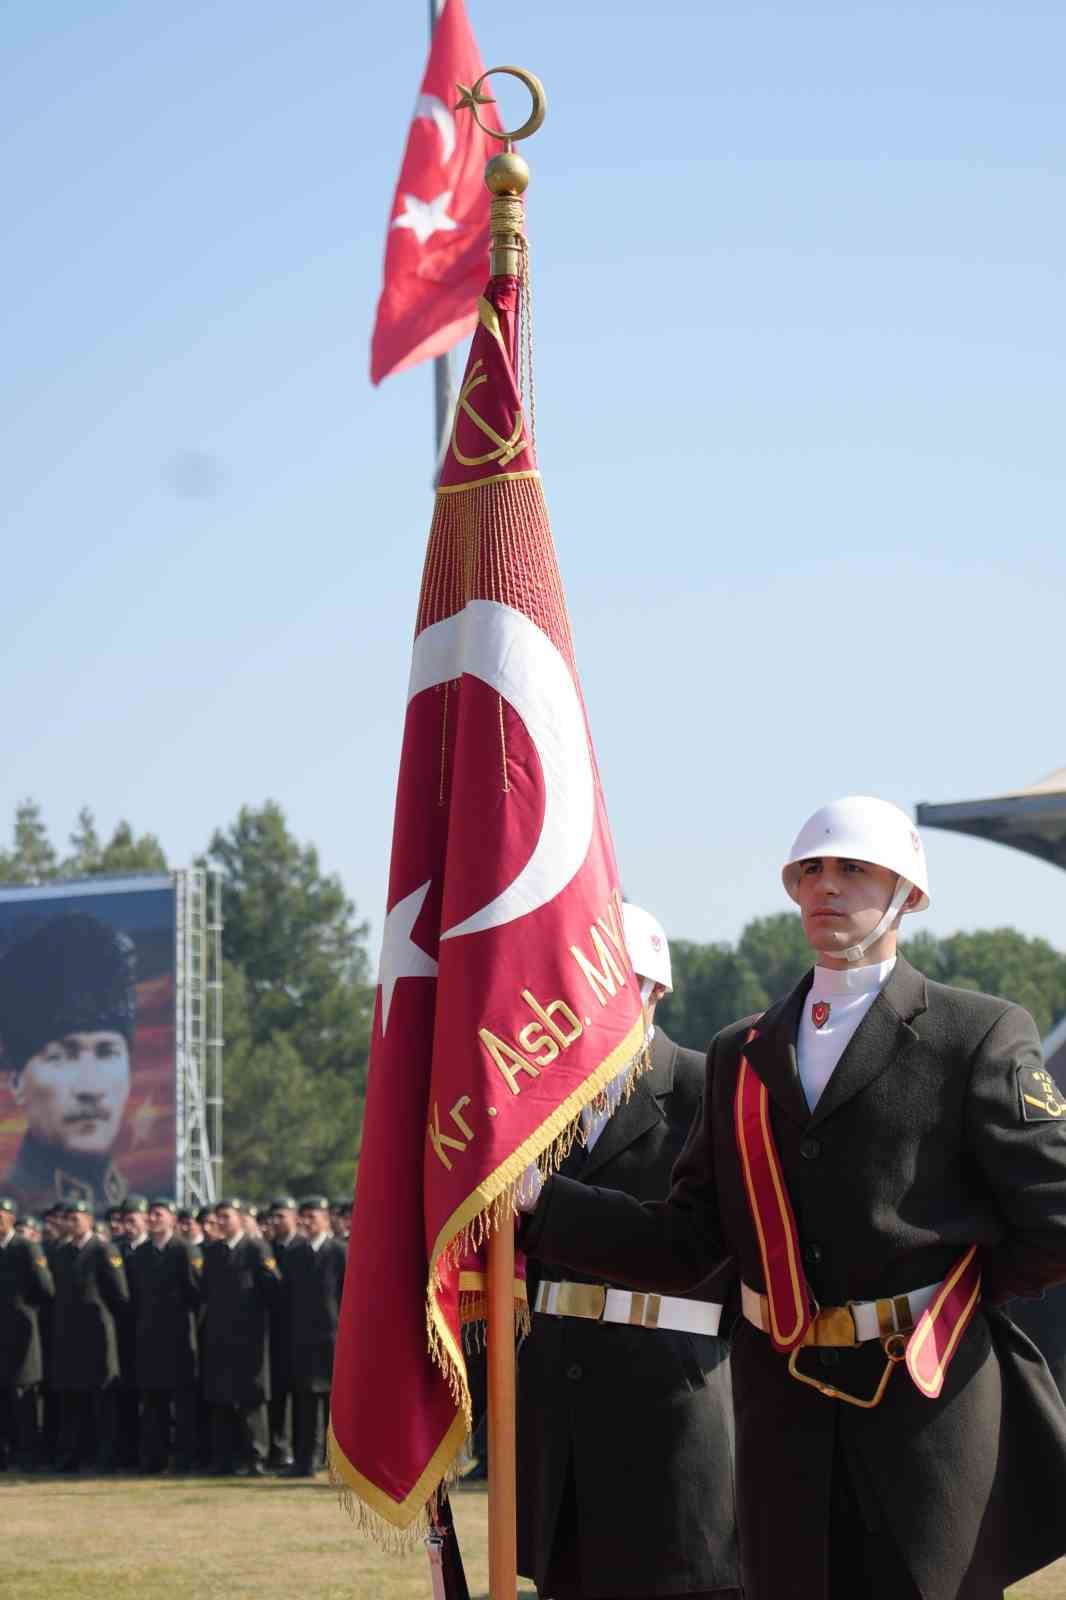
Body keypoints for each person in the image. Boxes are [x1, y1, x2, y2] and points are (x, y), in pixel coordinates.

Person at [521, 797, 1066, 1600]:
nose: (827, 886)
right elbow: (689, 1242)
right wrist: (539, 1200)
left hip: (925, 1399)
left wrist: (952, 1296)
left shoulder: (976, 1032)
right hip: (783, 1412)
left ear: (907, 893)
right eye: (811, 870)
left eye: (853, 869)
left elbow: (1053, 1213)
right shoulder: (741, 1051)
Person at [516, 903, 739, 1600]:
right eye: (582, 986)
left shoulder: (710, 1088)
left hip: (672, 1394)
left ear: (658, 992)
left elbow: (703, 1241)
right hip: (560, 1397)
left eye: (620, 983)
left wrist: (542, 1201)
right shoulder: (533, 1103)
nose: (596, 1003)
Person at [0, 913, 136, 1214]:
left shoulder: (134, 1203)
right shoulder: (15, 1205)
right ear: (17, 1082)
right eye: (61, 1057)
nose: (90, 1088)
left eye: (106, 1052)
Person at [199, 1197, 280, 1476]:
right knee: (221, 1398)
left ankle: (256, 1457)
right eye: (218, 1217)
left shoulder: (256, 1248)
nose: (220, 1222)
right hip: (220, 1334)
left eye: (226, 1216)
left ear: (240, 1218)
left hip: (250, 1335)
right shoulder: (214, 1251)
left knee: (251, 1399)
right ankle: (224, 1459)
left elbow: (272, 1289)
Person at [50, 1199, 129, 1472]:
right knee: (72, 1399)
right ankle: (71, 1457)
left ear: (89, 1219)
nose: (72, 1223)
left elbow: (120, 1295)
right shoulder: (62, 1253)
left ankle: (105, 1458)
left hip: (98, 1335)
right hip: (69, 1337)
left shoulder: (103, 1250)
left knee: (102, 1399)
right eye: (68, 1218)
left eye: (77, 1218)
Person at [127, 1197, 201, 1473]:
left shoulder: (185, 1250)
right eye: (151, 1214)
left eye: (159, 1214)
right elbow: (133, 1295)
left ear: (171, 1218)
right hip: (148, 1338)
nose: (153, 1218)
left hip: (179, 1338)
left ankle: (183, 1460)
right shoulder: (142, 1253)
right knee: (152, 1403)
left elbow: (197, 1294)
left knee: (181, 1404)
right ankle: (153, 1460)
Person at [282, 1195, 346, 1477]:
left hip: (334, 1338)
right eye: (303, 1216)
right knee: (305, 1401)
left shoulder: (340, 1252)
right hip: (302, 1339)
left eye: (313, 1216)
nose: (307, 1221)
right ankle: (305, 1461)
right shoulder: (295, 1254)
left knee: (337, 1403)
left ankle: (340, 1463)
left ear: (326, 1218)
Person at [0, 1196, 54, 1471]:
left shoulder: (27, 1247)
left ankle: (28, 1457)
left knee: (23, 1396)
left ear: (11, 1218)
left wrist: (24, 1310)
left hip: (23, 1332)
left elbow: (45, 1289)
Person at [266, 1194, 302, 1471]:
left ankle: (300, 1450)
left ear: (295, 1218)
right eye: (273, 1217)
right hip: (273, 1334)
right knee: (277, 1394)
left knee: (301, 1396)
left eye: (282, 1216)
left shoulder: (302, 1248)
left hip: (301, 1334)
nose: (276, 1222)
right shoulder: (268, 1249)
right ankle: (279, 1449)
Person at [114, 1194, 149, 1468]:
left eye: (133, 1219)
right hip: (122, 1334)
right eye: (124, 1221)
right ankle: (127, 1452)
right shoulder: (116, 1250)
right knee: (123, 1397)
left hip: (150, 1333)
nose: (128, 1226)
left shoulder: (154, 1249)